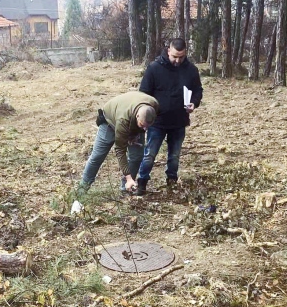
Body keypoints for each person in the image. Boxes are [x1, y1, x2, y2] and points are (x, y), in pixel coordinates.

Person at [136, 38, 203, 195]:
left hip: (179, 121)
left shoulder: (191, 70)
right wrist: (147, 113)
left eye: (181, 57)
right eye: (174, 56)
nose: (177, 60)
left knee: (174, 155)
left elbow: (198, 90)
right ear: (168, 51)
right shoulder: (154, 68)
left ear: (185, 53)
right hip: (157, 122)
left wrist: (194, 103)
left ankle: (171, 182)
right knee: (150, 154)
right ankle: (142, 183)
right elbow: (143, 93)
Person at [79, 91, 159, 193]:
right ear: (137, 116)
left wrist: (137, 133)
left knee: (137, 156)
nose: (145, 130)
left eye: (147, 127)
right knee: (97, 156)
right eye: (142, 125)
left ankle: (126, 188)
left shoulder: (154, 105)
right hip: (109, 122)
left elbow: (145, 124)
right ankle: (82, 190)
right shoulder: (123, 120)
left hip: (131, 119)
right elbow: (120, 150)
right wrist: (128, 177)